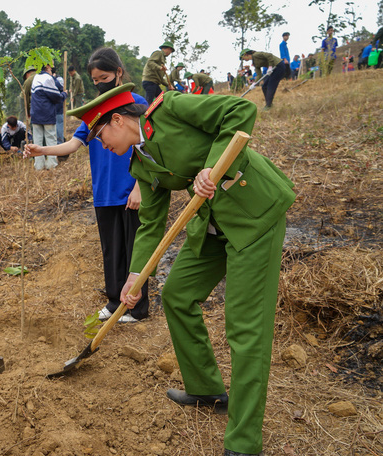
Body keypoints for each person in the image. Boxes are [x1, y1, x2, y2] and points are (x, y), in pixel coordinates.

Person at [67, 83, 294, 456]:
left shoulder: (170, 108)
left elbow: (240, 113)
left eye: (100, 135)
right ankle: (206, 388)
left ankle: (244, 442)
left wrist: (213, 164)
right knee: (176, 295)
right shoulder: (139, 163)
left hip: (254, 216)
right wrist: (136, 276)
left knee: (245, 328)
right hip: (212, 225)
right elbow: (152, 223)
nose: (99, 144)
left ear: (119, 120)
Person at [23, 47, 150, 323]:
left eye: (103, 77)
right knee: (111, 250)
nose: (99, 83)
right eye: (94, 80)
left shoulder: (135, 103)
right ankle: (115, 300)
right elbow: (74, 143)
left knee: (134, 250)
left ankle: (138, 308)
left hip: (130, 190)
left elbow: (147, 146)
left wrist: (140, 185)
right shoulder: (94, 112)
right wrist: (42, 151)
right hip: (103, 191)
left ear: (119, 72)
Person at [30, 61, 67, 170]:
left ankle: (39, 166)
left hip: (35, 115)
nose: (51, 69)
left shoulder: (36, 77)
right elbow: (56, 97)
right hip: (47, 114)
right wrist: (64, 94)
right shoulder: (47, 78)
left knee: (37, 141)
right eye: (51, 67)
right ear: (46, 66)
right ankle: (51, 164)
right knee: (51, 140)